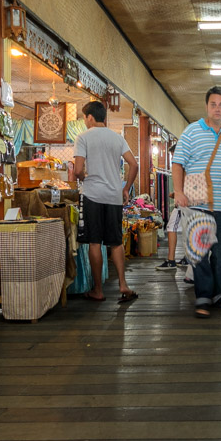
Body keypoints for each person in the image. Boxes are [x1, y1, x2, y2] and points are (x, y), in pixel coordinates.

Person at [172, 85, 221, 318]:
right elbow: (177, 163)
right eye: (213, 104)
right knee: (200, 251)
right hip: (197, 200)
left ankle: (218, 295)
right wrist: (178, 191)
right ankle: (203, 297)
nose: (217, 108)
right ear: (207, 106)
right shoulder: (192, 131)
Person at [73, 100, 139, 303]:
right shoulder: (116, 138)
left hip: (92, 195)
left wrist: (85, 178)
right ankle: (123, 284)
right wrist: (125, 188)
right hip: (113, 196)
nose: (85, 122)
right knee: (116, 242)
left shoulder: (83, 137)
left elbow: (77, 170)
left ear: (90, 117)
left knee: (95, 242)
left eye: (85, 118)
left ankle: (98, 290)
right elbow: (133, 164)